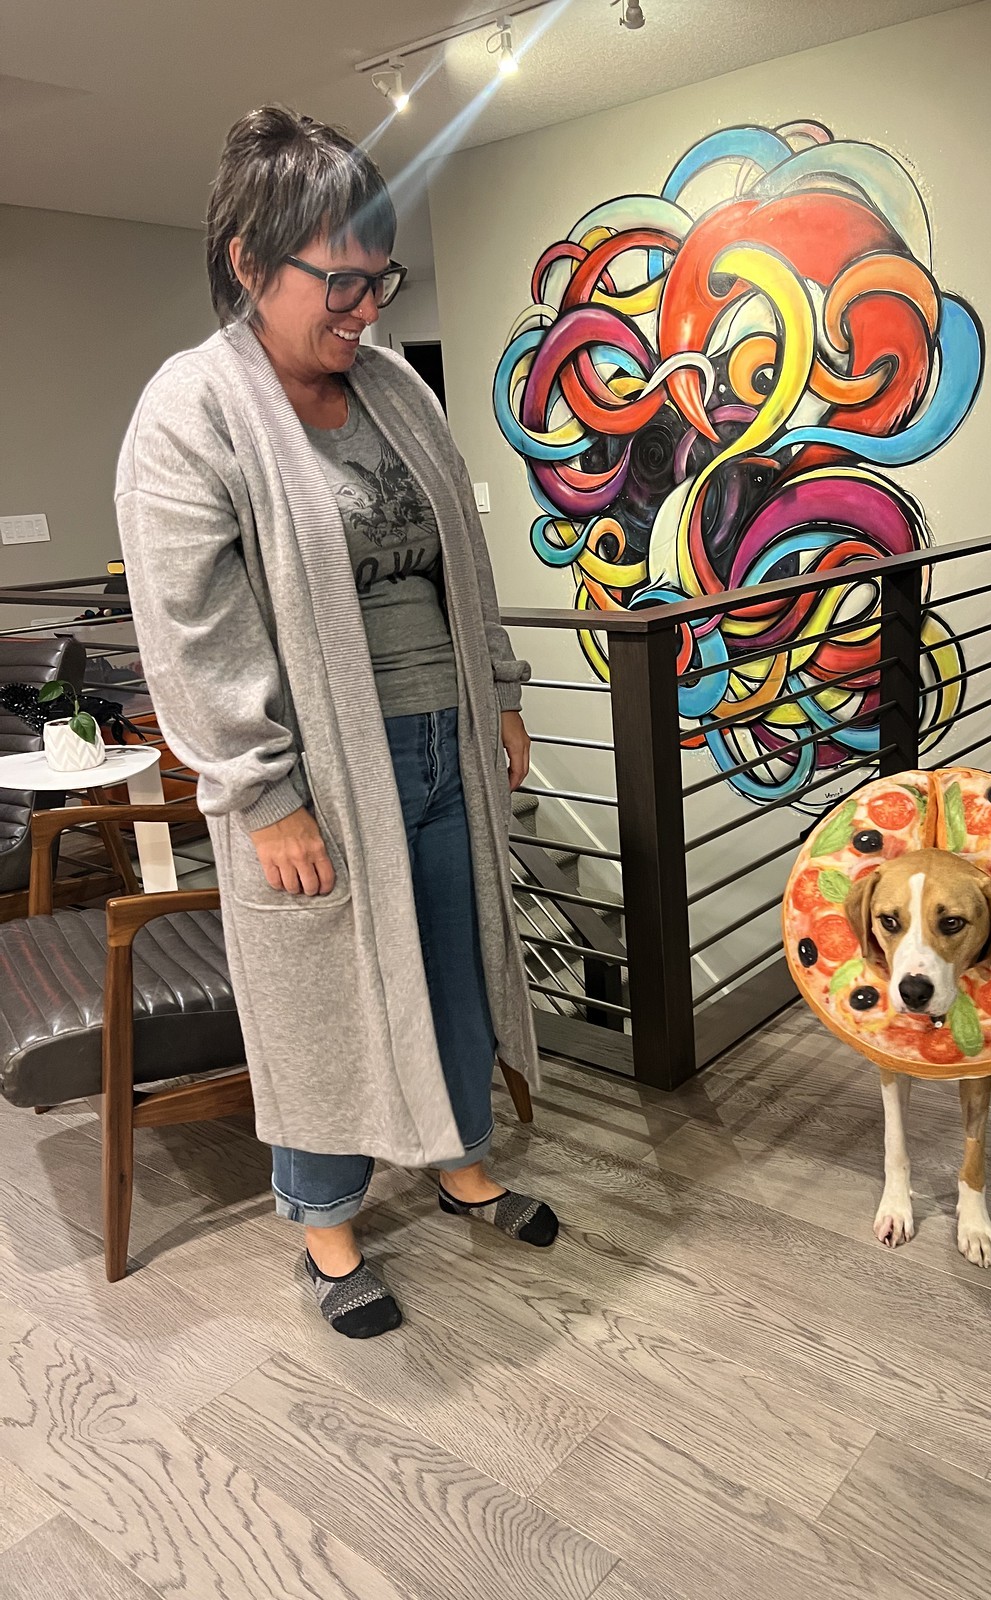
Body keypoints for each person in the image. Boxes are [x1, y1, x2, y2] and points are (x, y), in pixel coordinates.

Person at [116, 107, 557, 1340]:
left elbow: (463, 554)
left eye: (381, 280)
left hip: (443, 738)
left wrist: (500, 694)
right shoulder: (193, 408)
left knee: (455, 959)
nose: (366, 310)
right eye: (342, 282)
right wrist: (264, 794)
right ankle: (325, 1230)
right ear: (250, 263)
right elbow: (191, 625)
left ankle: (462, 1164)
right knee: (322, 1000)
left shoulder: (395, 388)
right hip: (315, 769)